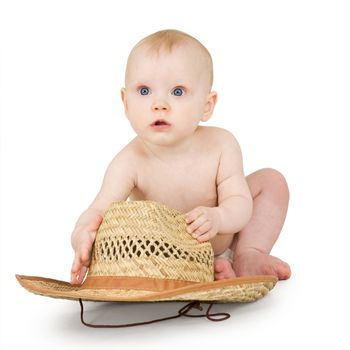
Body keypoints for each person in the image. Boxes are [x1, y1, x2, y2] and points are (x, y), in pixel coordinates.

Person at [70, 29, 291, 285]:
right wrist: (81, 233)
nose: (159, 104)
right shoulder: (129, 162)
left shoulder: (221, 144)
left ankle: (247, 254)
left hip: (222, 238)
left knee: (271, 182)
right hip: (169, 259)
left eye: (177, 92)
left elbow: (240, 203)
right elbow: (98, 210)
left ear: (207, 106)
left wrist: (218, 217)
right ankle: (207, 269)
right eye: (144, 91)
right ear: (125, 102)